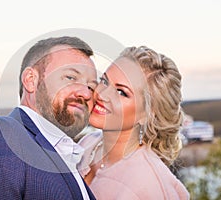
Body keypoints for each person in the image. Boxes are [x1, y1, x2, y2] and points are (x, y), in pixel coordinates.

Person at [0, 36, 98, 199]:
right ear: (31, 80)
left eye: (90, 86)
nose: (86, 93)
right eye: (70, 77)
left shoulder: (68, 161)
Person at [78, 46, 190, 199]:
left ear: (147, 114)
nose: (102, 94)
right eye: (104, 81)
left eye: (121, 92)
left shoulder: (150, 186)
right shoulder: (87, 144)